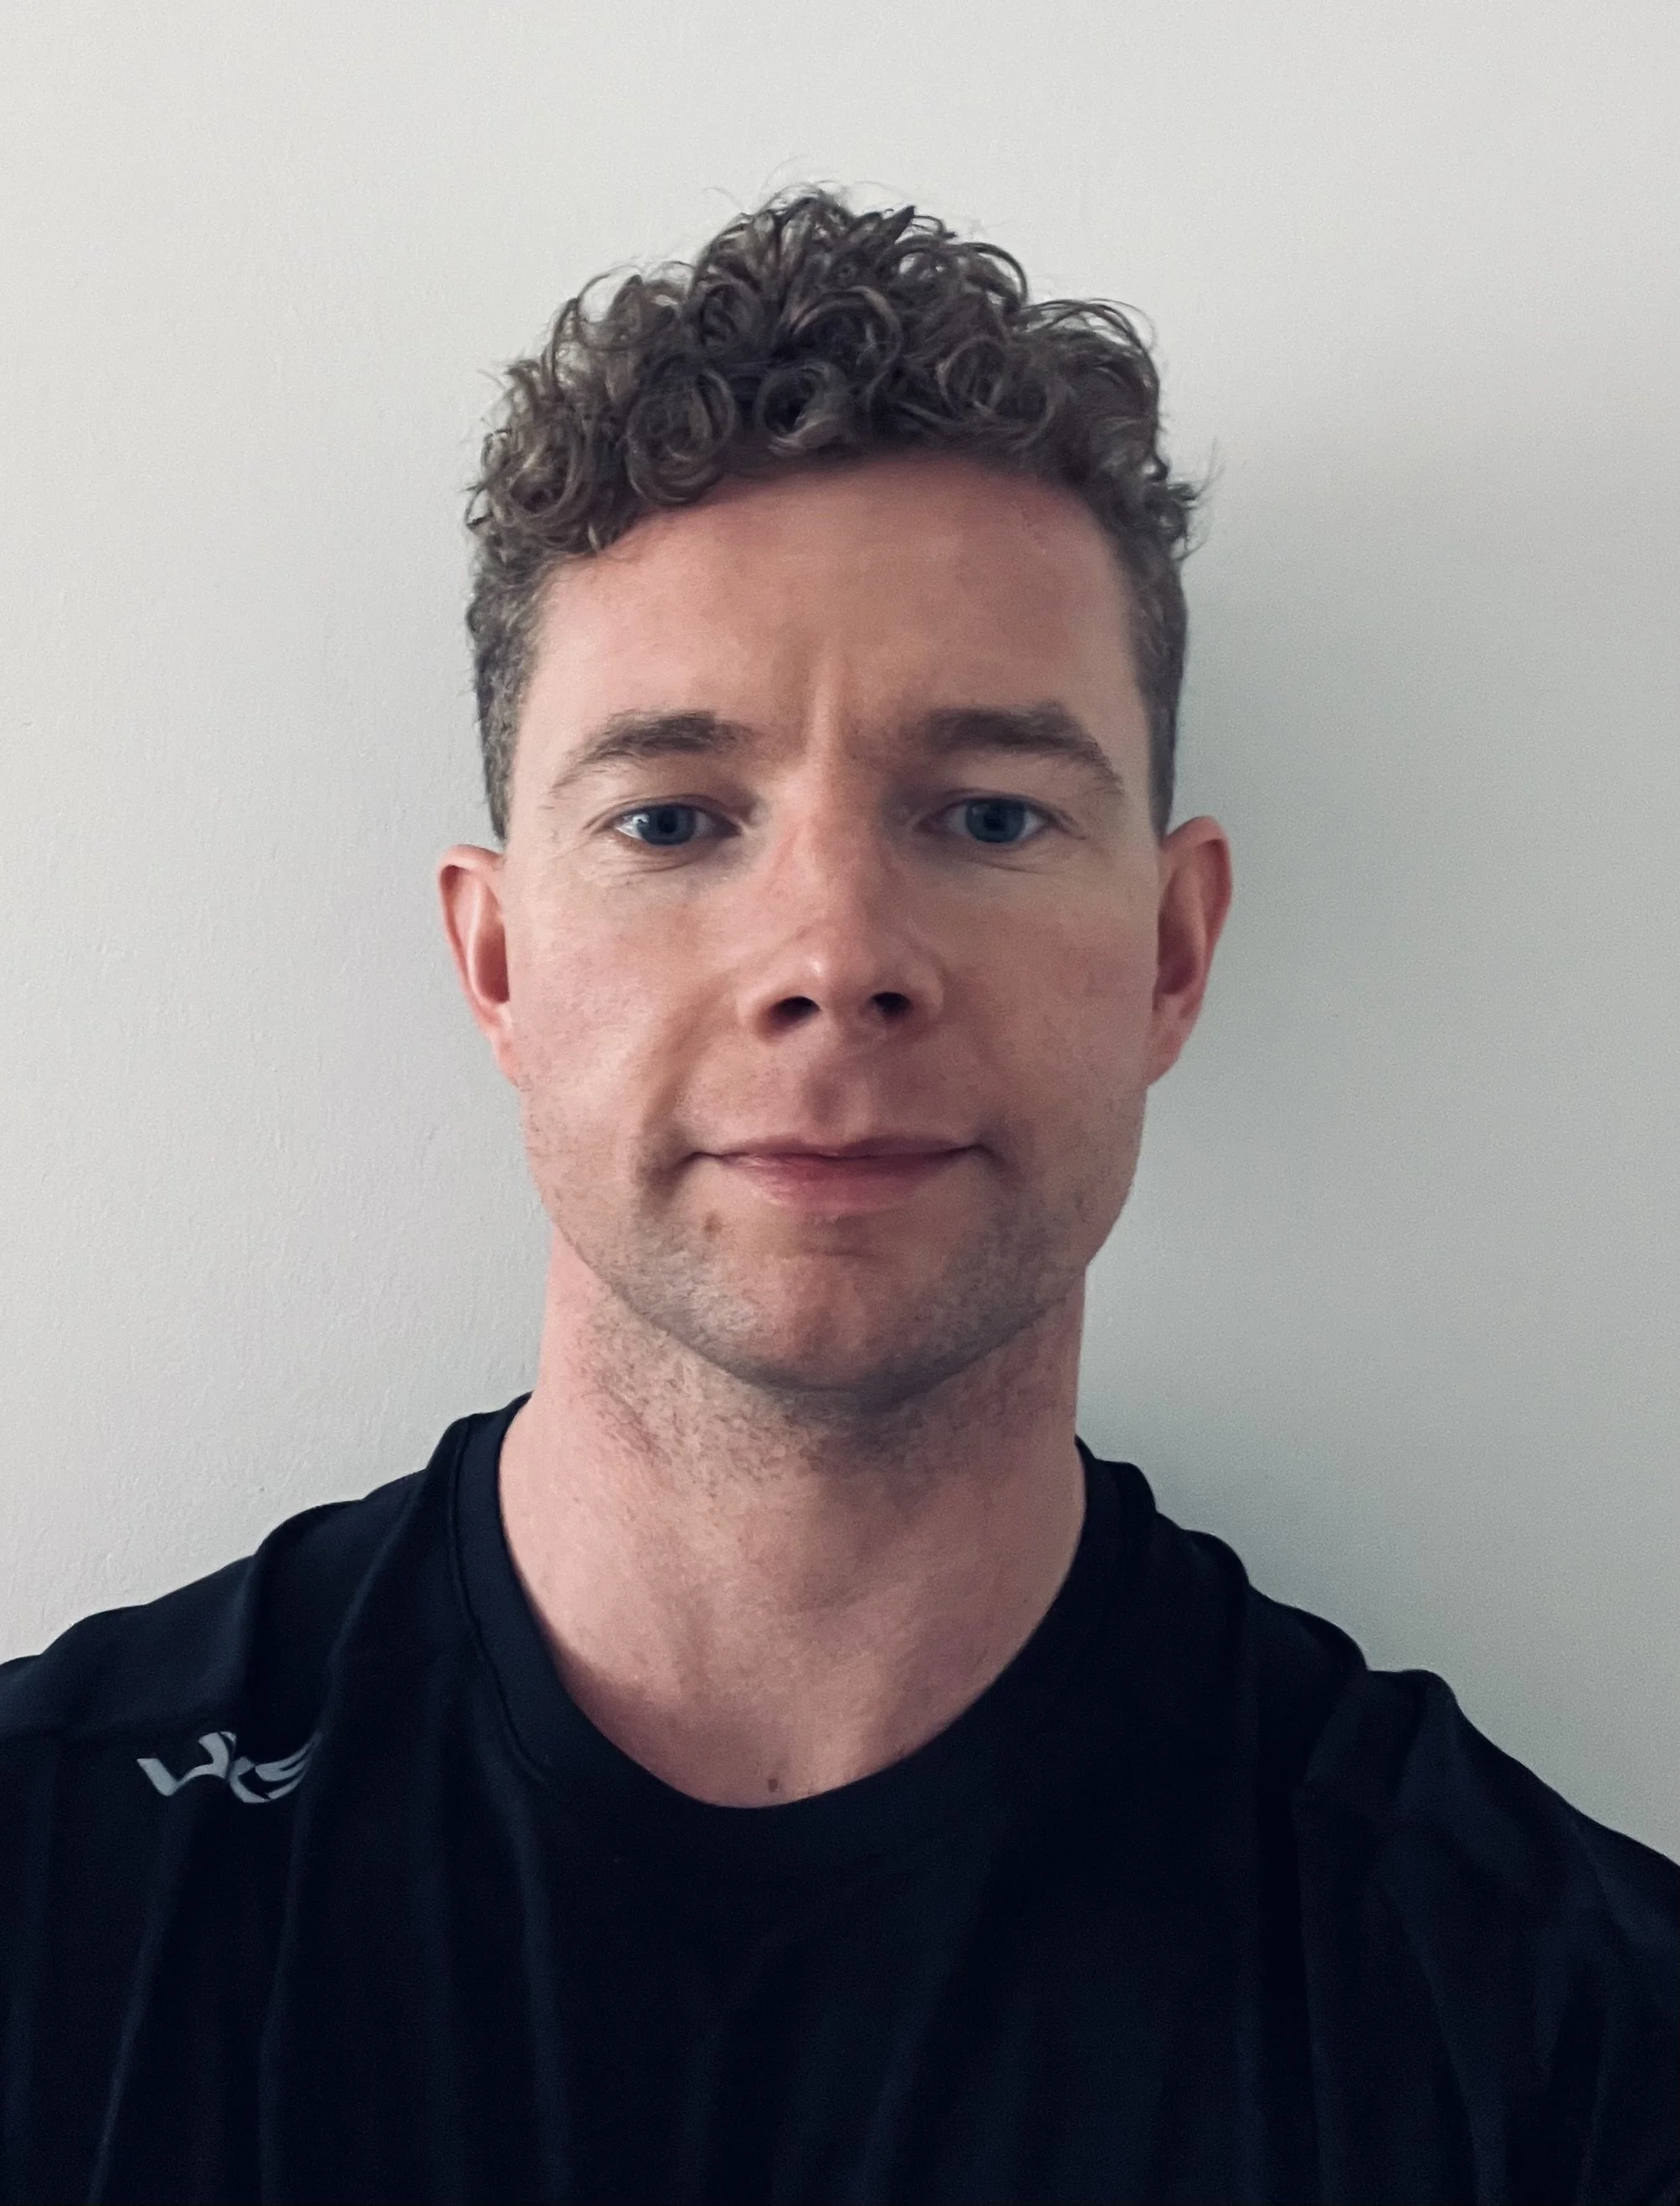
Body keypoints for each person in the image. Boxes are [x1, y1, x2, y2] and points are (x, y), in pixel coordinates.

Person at [1, 189, 1673, 2206]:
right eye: (676, 817)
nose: (834, 952)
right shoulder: (55, 1897)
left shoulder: (1557, 2042)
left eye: (986, 812)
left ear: (1169, 950)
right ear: (500, 964)